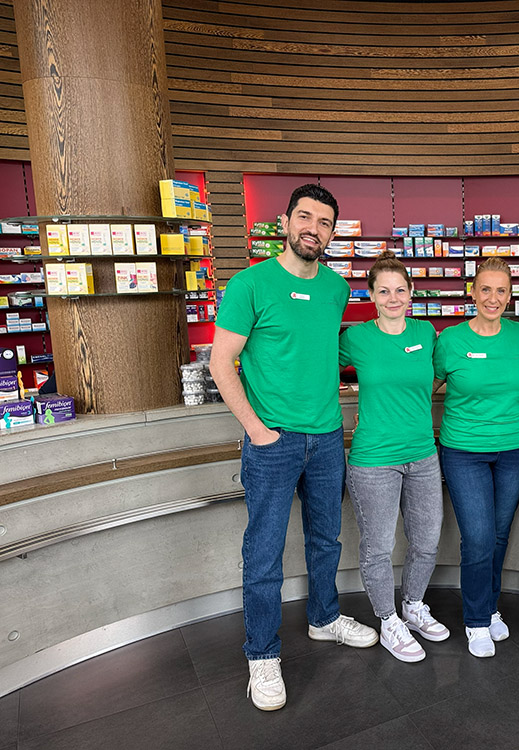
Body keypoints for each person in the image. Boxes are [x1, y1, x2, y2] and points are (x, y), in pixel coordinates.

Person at [210, 184, 377, 712]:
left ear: (331, 233)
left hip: (327, 437)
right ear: (284, 222)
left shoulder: (335, 288)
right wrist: (259, 432)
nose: (314, 228)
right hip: (273, 441)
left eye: (324, 222)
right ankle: (261, 654)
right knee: (264, 552)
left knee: (326, 538)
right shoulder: (250, 284)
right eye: (304, 217)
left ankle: (325, 618)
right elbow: (221, 363)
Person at [340, 251, 449, 663]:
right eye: (383, 291)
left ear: (412, 292)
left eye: (400, 290)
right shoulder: (357, 338)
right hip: (373, 460)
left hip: (423, 454)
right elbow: (317, 366)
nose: (392, 297)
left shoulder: (426, 333)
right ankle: (388, 620)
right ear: (370, 294)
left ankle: (413, 606)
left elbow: (440, 376)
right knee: (379, 547)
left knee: (426, 541)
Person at [433, 257, 519, 658]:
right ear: (472, 292)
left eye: (502, 290)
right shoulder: (451, 340)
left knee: (497, 534)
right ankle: (476, 620)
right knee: (476, 537)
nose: (493, 298)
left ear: (510, 296)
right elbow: (427, 385)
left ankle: (490, 607)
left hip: (515, 447)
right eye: (486, 289)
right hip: (464, 451)